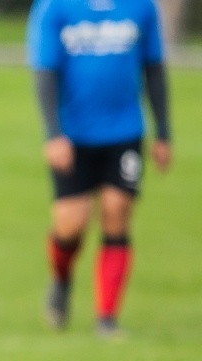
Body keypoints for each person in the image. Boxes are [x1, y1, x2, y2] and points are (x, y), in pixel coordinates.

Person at [29, 0, 171, 336]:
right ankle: (61, 280)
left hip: (125, 132)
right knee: (70, 224)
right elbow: (45, 72)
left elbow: (154, 68)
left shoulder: (141, 7)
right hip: (74, 135)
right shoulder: (55, 7)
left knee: (117, 210)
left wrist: (163, 131)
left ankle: (106, 318)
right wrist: (53, 134)